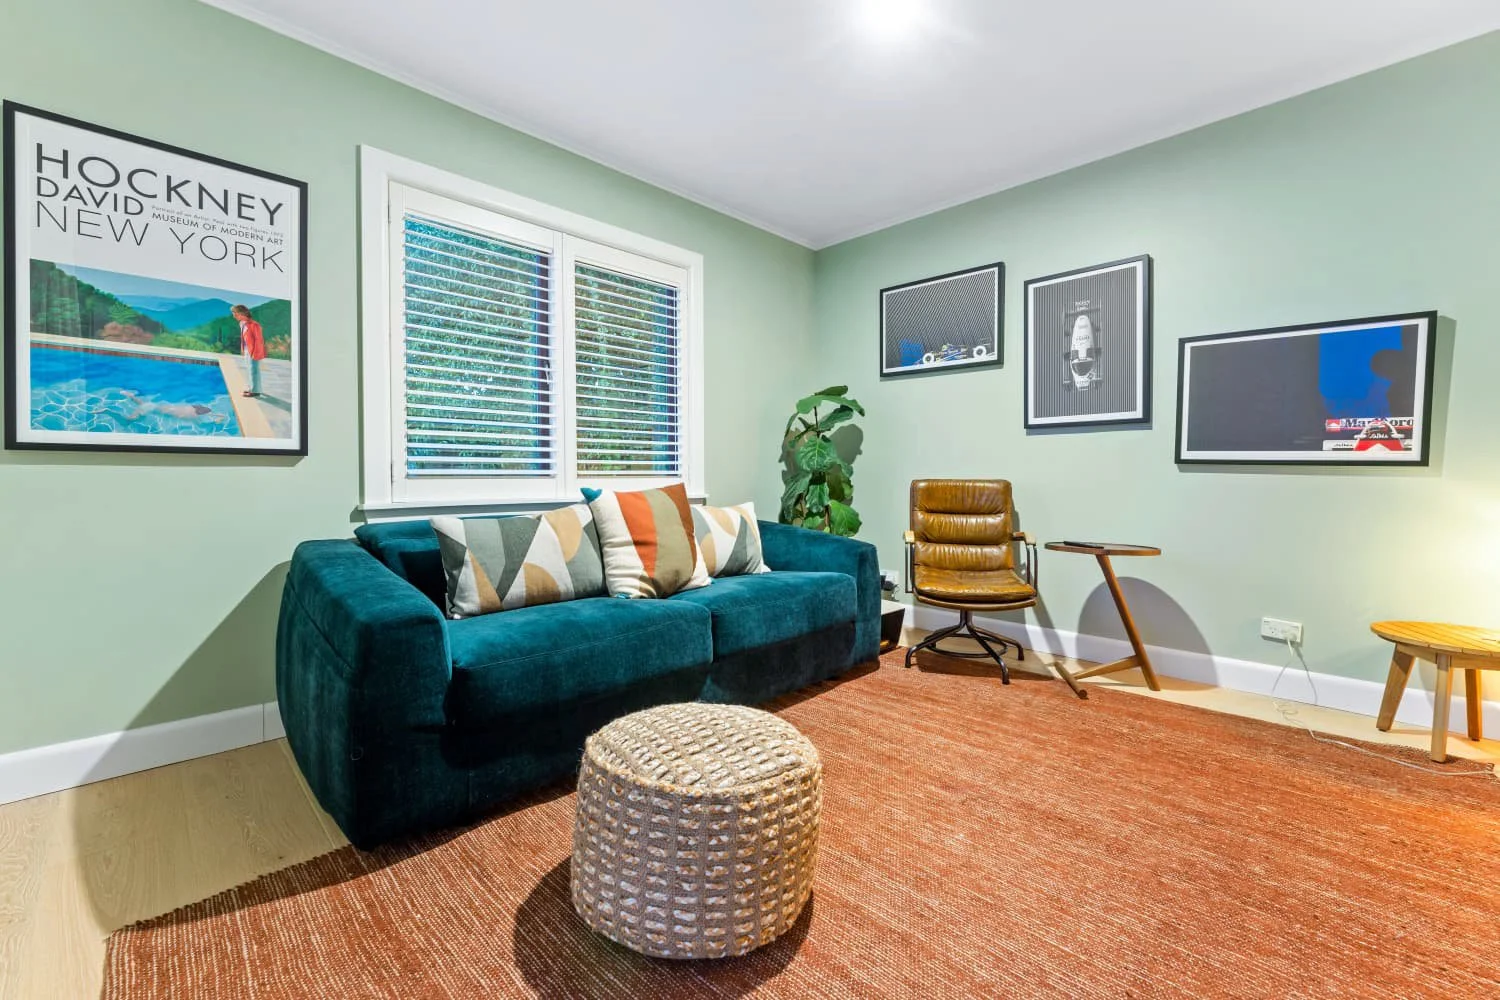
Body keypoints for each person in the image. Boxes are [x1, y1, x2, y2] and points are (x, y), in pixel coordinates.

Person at [233, 304, 265, 397]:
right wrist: (243, 348)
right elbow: (243, 338)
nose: (234, 316)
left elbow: (259, 340)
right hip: (247, 350)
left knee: (254, 370)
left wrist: (255, 353)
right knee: (249, 369)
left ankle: (255, 391)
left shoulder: (254, 325)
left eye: (235, 314)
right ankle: (253, 388)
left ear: (241, 313)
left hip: (254, 350)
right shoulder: (242, 323)